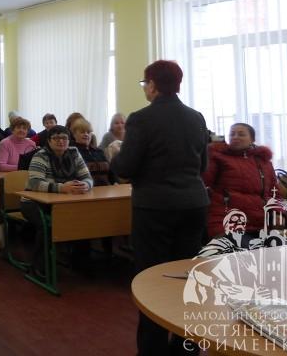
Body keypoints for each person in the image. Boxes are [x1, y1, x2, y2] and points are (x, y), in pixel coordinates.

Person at [111, 60, 209, 356]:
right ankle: (185, 349)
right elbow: (202, 165)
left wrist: (115, 159)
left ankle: (152, 350)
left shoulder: (141, 119)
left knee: (152, 281)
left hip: (155, 207)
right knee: (186, 279)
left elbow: (126, 167)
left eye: (145, 83)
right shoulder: (196, 117)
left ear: (152, 85)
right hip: (194, 204)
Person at [20, 125, 93, 274]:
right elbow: (34, 183)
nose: (61, 141)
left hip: (63, 201)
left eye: (64, 138)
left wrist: (85, 185)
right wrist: (62, 188)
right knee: (47, 226)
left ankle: (80, 263)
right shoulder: (41, 155)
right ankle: (39, 266)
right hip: (33, 202)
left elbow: (87, 177)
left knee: (85, 220)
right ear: (49, 141)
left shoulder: (74, 153)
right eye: (56, 138)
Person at [203, 123, 277, 239]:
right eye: (232, 134)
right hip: (226, 222)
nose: (235, 137)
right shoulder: (218, 157)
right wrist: (210, 153)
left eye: (241, 134)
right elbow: (205, 181)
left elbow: (275, 193)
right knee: (245, 249)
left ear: (252, 139)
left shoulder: (264, 162)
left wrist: (278, 214)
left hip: (260, 223)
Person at [69, 118, 114, 186]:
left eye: (88, 132)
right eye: (82, 132)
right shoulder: (72, 152)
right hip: (84, 189)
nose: (86, 134)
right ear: (74, 134)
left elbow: (110, 173)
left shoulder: (99, 152)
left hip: (106, 189)